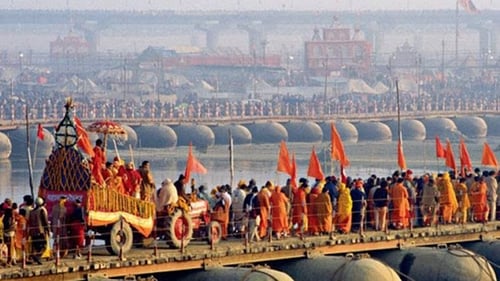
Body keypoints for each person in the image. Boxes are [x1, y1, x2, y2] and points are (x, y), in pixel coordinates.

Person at [28, 197, 50, 265]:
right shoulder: (41, 210)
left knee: (35, 246)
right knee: (44, 246)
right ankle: (37, 257)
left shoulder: (31, 211)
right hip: (40, 231)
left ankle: (35, 257)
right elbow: (45, 221)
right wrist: (48, 230)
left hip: (33, 231)